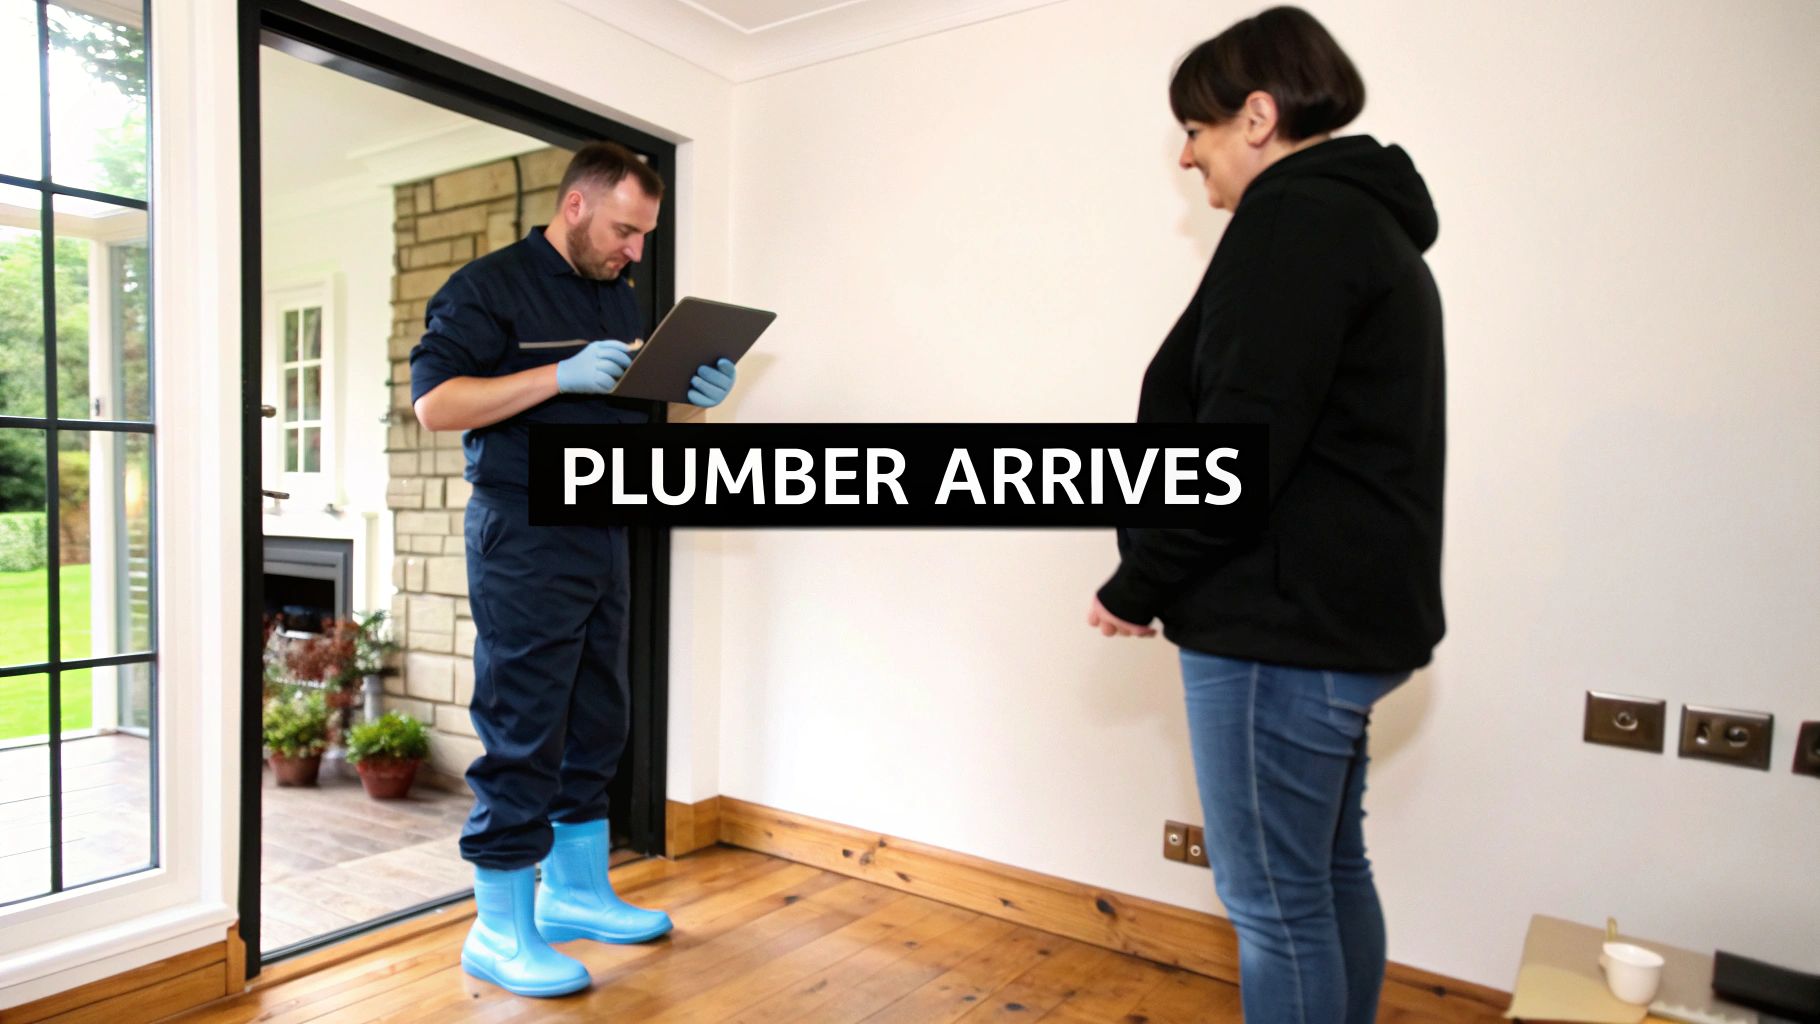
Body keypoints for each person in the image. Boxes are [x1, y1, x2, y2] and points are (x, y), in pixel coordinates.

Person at [1086, 8, 1445, 1024]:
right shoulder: (1364, 224)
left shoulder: (1291, 222)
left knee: (1274, 905)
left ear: (1255, 115)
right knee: (1326, 876)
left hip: (1276, 628)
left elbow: (1239, 449)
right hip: (1338, 620)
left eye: (1193, 131)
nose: (1189, 157)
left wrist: (1138, 579)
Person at [410, 141, 738, 998]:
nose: (636, 251)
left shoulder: (618, 294)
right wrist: (554, 374)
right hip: (523, 529)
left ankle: (577, 893)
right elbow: (436, 404)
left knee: (598, 711)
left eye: (645, 236)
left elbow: (618, 411)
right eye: (627, 231)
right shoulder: (488, 287)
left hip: (605, 521)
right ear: (579, 206)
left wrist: (687, 399)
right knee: (524, 721)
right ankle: (496, 927)